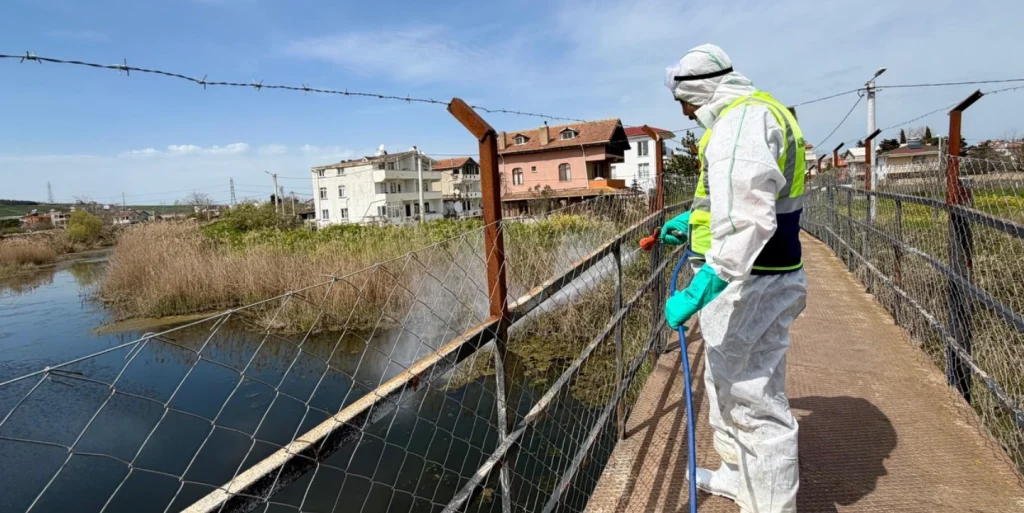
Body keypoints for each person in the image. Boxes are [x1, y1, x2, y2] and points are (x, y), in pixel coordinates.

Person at [660, 44, 808, 513]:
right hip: (757, 277)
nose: (684, 114)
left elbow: (749, 222)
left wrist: (700, 287)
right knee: (729, 386)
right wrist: (693, 220)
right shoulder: (751, 115)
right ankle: (738, 479)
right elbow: (734, 197)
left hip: (751, 281)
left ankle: (769, 506)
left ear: (698, 90)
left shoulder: (740, 125)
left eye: (683, 103)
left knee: (752, 401)